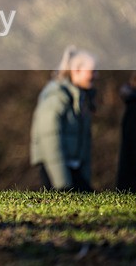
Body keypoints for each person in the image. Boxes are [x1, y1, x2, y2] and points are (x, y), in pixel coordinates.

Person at [30, 46, 97, 192]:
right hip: (56, 170)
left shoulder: (81, 99)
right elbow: (50, 139)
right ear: (76, 71)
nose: (95, 76)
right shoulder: (57, 97)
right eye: (92, 71)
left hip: (73, 168)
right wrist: (63, 184)